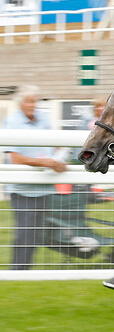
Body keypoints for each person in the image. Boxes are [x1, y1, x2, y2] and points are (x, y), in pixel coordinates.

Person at [3, 85, 68, 270]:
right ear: (20, 103)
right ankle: (17, 271)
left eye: (35, 101)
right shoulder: (12, 121)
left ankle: (26, 271)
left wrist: (60, 157)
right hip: (22, 189)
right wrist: (46, 163)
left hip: (43, 187)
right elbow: (15, 159)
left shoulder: (44, 118)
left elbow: (55, 146)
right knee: (24, 233)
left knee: (35, 234)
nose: (33, 104)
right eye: (29, 101)